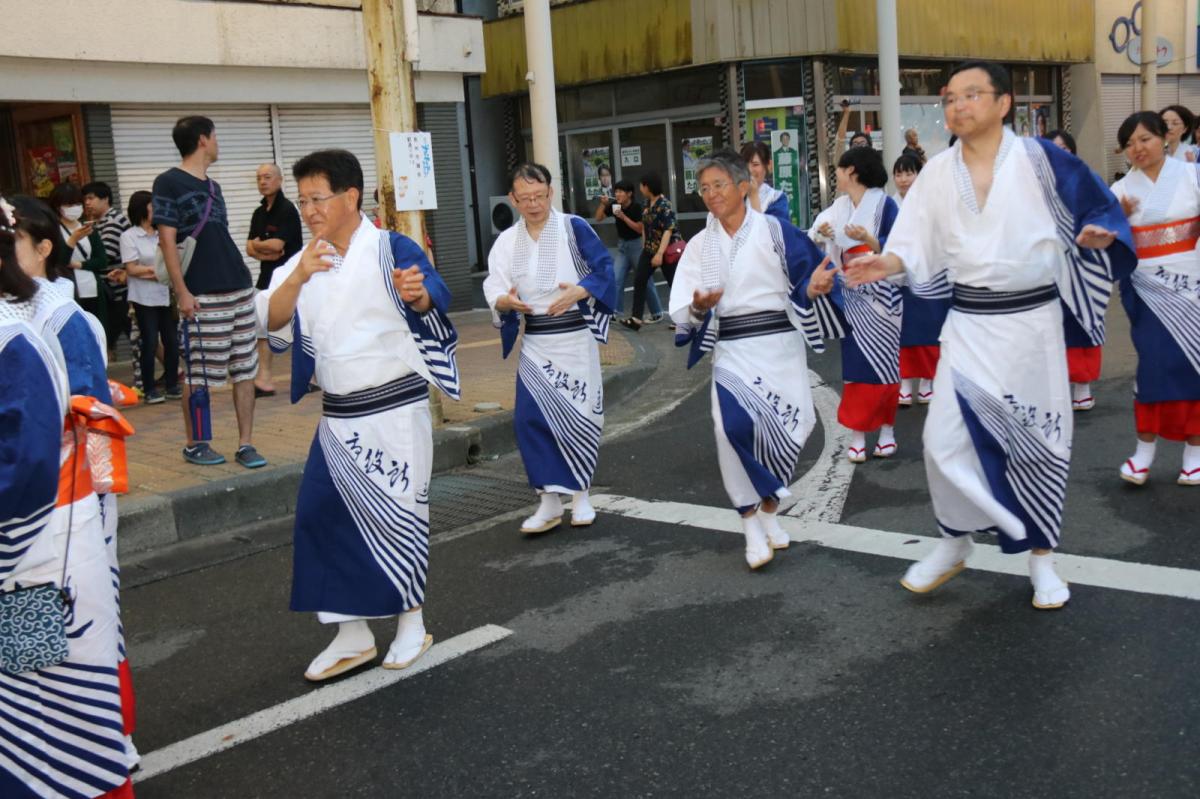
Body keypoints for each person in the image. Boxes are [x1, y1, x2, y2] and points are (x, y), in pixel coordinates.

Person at [844, 60, 1134, 610]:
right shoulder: (935, 174)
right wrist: (887, 263)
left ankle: (1042, 558)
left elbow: (1101, 210)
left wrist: (1097, 235)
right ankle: (956, 541)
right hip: (970, 324)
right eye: (950, 97)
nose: (957, 105)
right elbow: (912, 241)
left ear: (1004, 103)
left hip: (1033, 326)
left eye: (971, 94)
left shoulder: (1044, 160)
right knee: (940, 441)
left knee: (1037, 442)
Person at [259, 149, 460, 681]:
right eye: (302, 200)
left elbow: (433, 297)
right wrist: (298, 276)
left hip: (393, 409)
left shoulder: (389, 247)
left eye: (316, 198)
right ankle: (352, 632)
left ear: (350, 196)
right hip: (338, 414)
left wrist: (417, 298)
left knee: (399, 517)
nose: (308, 209)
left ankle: (411, 621)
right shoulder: (306, 258)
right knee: (322, 517)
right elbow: (272, 321)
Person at [0, 194, 136, 799]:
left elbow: (85, 426)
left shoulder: (46, 322)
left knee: (52, 691)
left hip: (42, 538)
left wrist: (102, 514)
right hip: (48, 528)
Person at [670, 150, 829, 569]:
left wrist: (813, 289)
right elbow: (683, 308)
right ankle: (750, 525)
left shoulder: (777, 231)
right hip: (733, 349)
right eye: (703, 188)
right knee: (731, 429)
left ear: (744, 186)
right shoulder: (700, 245)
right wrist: (700, 308)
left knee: (798, 423)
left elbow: (809, 279)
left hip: (779, 344)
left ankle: (770, 510)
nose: (710, 194)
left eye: (719, 185)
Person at [484, 162, 616, 534]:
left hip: (574, 337)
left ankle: (581, 496)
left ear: (550, 192)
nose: (533, 204)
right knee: (530, 419)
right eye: (524, 198)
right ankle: (548, 502)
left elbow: (604, 268)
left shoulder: (574, 228)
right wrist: (504, 303)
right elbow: (495, 286)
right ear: (513, 199)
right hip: (537, 341)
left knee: (581, 415)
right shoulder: (507, 241)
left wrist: (581, 289)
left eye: (539, 196)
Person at [153, 115, 266, 468]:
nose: (218, 143)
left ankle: (246, 443)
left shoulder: (214, 187)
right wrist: (181, 291)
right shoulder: (168, 182)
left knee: (245, 368)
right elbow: (168, 241)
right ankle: (196, 442)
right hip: (203, 292)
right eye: (215, 136)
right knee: (201, 373)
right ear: (203, 139)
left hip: (239, 285)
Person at [1109, 112, 1200, 486]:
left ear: (1165, 137)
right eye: (1130, 143)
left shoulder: (1193, 177)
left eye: (1144, 139)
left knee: (1194, 366)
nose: (1137, 149)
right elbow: (1102, 242)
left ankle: (1194, 454)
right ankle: (1143, 450)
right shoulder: (1118, 192)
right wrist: (1115, 222)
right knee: (1152, 366)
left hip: (1194, 283)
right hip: (1147, 289)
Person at [809, 146, 901, 462]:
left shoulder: (886, 206)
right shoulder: (839, 207)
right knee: (855, 369)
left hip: (884, 296)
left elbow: (901, 247)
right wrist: (821, 233)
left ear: (853, 171)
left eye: (839, 168)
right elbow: (817, 233)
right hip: (852, 294)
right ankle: (858, 434)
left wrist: (872, 241)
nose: (836, 174)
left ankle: (887, 430)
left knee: (885, 366)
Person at [1044, 129, 1106, 411]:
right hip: (1047, 263)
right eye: (1053, 148)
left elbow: (1105, 212)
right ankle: (1055, 386)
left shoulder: (1087, 179)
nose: (1060, 153)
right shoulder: (1035, 183)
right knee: (1050, 324)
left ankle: (1082, 385)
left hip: (1084, 262)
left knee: (1083, 321)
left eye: (1065, 148)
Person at [890, 154, 948, 407]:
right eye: (899, 174)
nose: (903, 180)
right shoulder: (889, 205)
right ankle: (904, 383)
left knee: (929, 332)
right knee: (901, 333)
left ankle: (927, 382)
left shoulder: (932, 203)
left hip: (928, 277)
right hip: (899, 278)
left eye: (908, 173)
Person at [247, 163, 303, 398]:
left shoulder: (287, 209)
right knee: (262, 327)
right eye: (259, 178)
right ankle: (265, 379)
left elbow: (278, 246)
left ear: (280, 180)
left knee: (303, 327)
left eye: (268, 177)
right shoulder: (259, 212)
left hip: (289, 277)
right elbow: (249, 248)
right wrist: (263, 248)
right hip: (266, 277)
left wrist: (265, 246)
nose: (263, 181)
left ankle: (311, 376)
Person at [121, 190, 180, 405]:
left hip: (165, 295)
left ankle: (173, 384)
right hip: (143, 297)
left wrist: (160, 273)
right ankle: (149, 388)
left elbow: (175, 259)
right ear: (142, 209)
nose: (157, 210)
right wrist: (157, 273)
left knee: (172, 341)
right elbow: (131, 268)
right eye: (152, 206)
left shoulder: (161, 234)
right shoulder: (129, 236)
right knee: (150, 342)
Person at [593, 178, 662, 320]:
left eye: (620, 192)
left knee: (644, 280)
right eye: (616, 191)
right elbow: (598, 218)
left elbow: (639, 229)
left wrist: (623, 217)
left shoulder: (637, 207)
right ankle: (615, 312)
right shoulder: (614, 205)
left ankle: (657, 313)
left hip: (637, 245)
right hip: (623, 247)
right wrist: (603, 204)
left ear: (629, 194)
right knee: (616, 278)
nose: (617, 194)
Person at [621, 171, 677, 331]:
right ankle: (636, 319)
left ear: (647, 186)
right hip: (649, 249)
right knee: (639, 280)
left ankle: (682, 321)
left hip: (666, 250)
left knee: (675, 284)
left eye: (641, 185)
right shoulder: (646, 204)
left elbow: (668, 230)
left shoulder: (665, 204)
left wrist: (660, 254)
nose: (640, 188)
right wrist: (645, 247)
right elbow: (645, 226)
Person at [84, 181, 132, 354]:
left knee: (105, 338)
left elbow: (105, 255)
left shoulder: (112, 221)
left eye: (91, 198)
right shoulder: (99, 222)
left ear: (105, 199)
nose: (87, 203)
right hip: (115, 291)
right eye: (85, 199)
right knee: (133, 333)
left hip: (118, 291)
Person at [50, 182, 108, 326]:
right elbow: (59, 262)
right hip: (69, 292)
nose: (74, 208)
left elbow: (102, 260)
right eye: (69, 205)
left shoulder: (88, 228)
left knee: (98, 330)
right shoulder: (54, 230)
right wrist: (72, 240)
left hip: (93, 289)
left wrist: (79, 264)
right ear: (59, 207)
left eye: (77, 204)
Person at [740, 140, 790, 223]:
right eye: (745, 165)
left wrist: (754, 196)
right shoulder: (734, 195)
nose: (749, 170)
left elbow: (777, 232)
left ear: (769, 165)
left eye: (755, 164)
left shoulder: (776, 198)